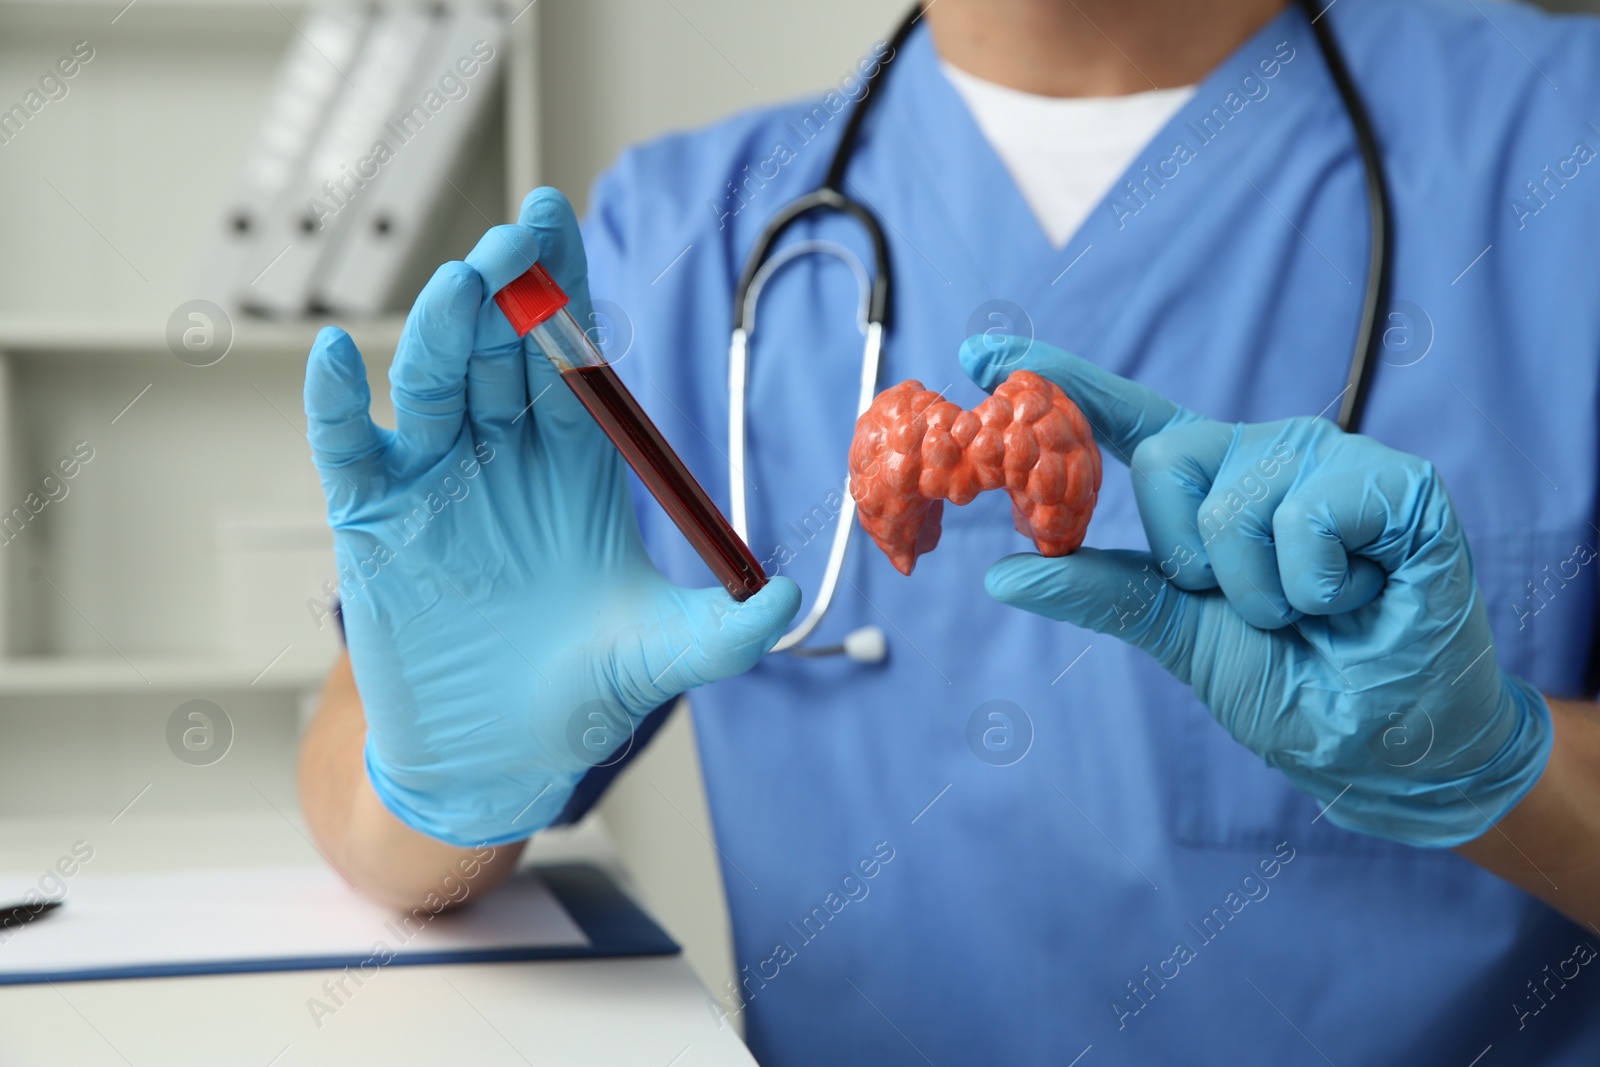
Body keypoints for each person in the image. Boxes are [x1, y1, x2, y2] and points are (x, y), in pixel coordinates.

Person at [297, 0, 1600, 1062]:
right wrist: (444, 780)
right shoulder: (684, 238)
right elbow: (378, 813)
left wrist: (1500, 766)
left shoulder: (1565, 144)